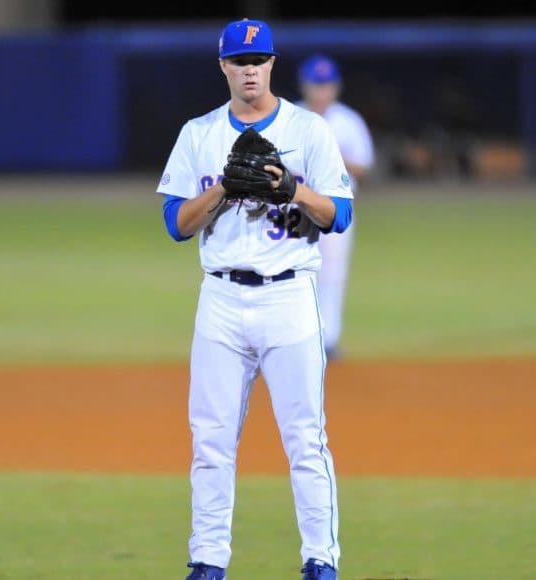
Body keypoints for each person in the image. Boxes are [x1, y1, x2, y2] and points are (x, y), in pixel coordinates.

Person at [157, 18, 353, 580]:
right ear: (223, 66)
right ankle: (208, 562)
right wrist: (224, 187)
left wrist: (291, 188)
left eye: (259, 61)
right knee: (211, 441)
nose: (250, 71)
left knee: (305, 440)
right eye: (239, 62)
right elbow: (175, 223)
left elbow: (339, 214)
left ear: (272, 65)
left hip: (289, 298)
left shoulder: (309, 130)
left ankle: (321, 562)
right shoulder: (198, 134)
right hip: (219, 302)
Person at [297, 54, 375, 360]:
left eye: (326, 85)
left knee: (332, 274)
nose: (321, 91)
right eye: (316, 85)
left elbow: (365, 167)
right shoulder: (291, 117)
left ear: (336, 87)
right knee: (295, 273)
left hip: (337, 209)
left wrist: (332, 157)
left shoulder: (348, 121)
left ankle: (329, 341)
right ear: (305, 86)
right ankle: (298, 339)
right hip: (297, 211)